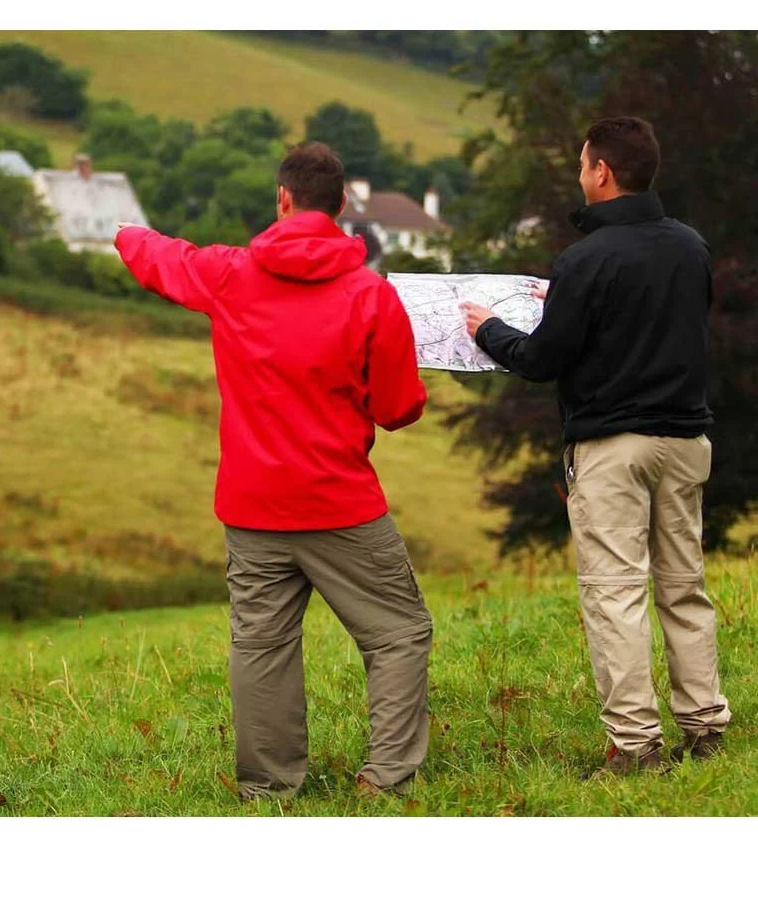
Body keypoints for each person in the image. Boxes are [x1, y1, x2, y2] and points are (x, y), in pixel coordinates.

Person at [114, 142, 433, 800]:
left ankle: (268, 790)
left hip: (253, 506)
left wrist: (124, 232)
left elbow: (161, 258)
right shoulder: (371, 296)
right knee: (399, 632)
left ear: (282, 199)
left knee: (262, 647)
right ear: (340, 207)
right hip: (340, 504)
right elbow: (398, 409)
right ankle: (386, 779)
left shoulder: (228, 274)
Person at [461, 116, 731, 776]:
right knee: (684, 586)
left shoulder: (585, 259)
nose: (580, 176)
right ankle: (705, 728)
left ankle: (636, 746)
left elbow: (541, 358)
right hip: (686, 439)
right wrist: (568, 300)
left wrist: (489, 329)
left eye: (583, 165)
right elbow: (656, 320)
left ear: (602, 172)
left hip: (613, 448)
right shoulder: (691, 247)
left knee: (616, 593)